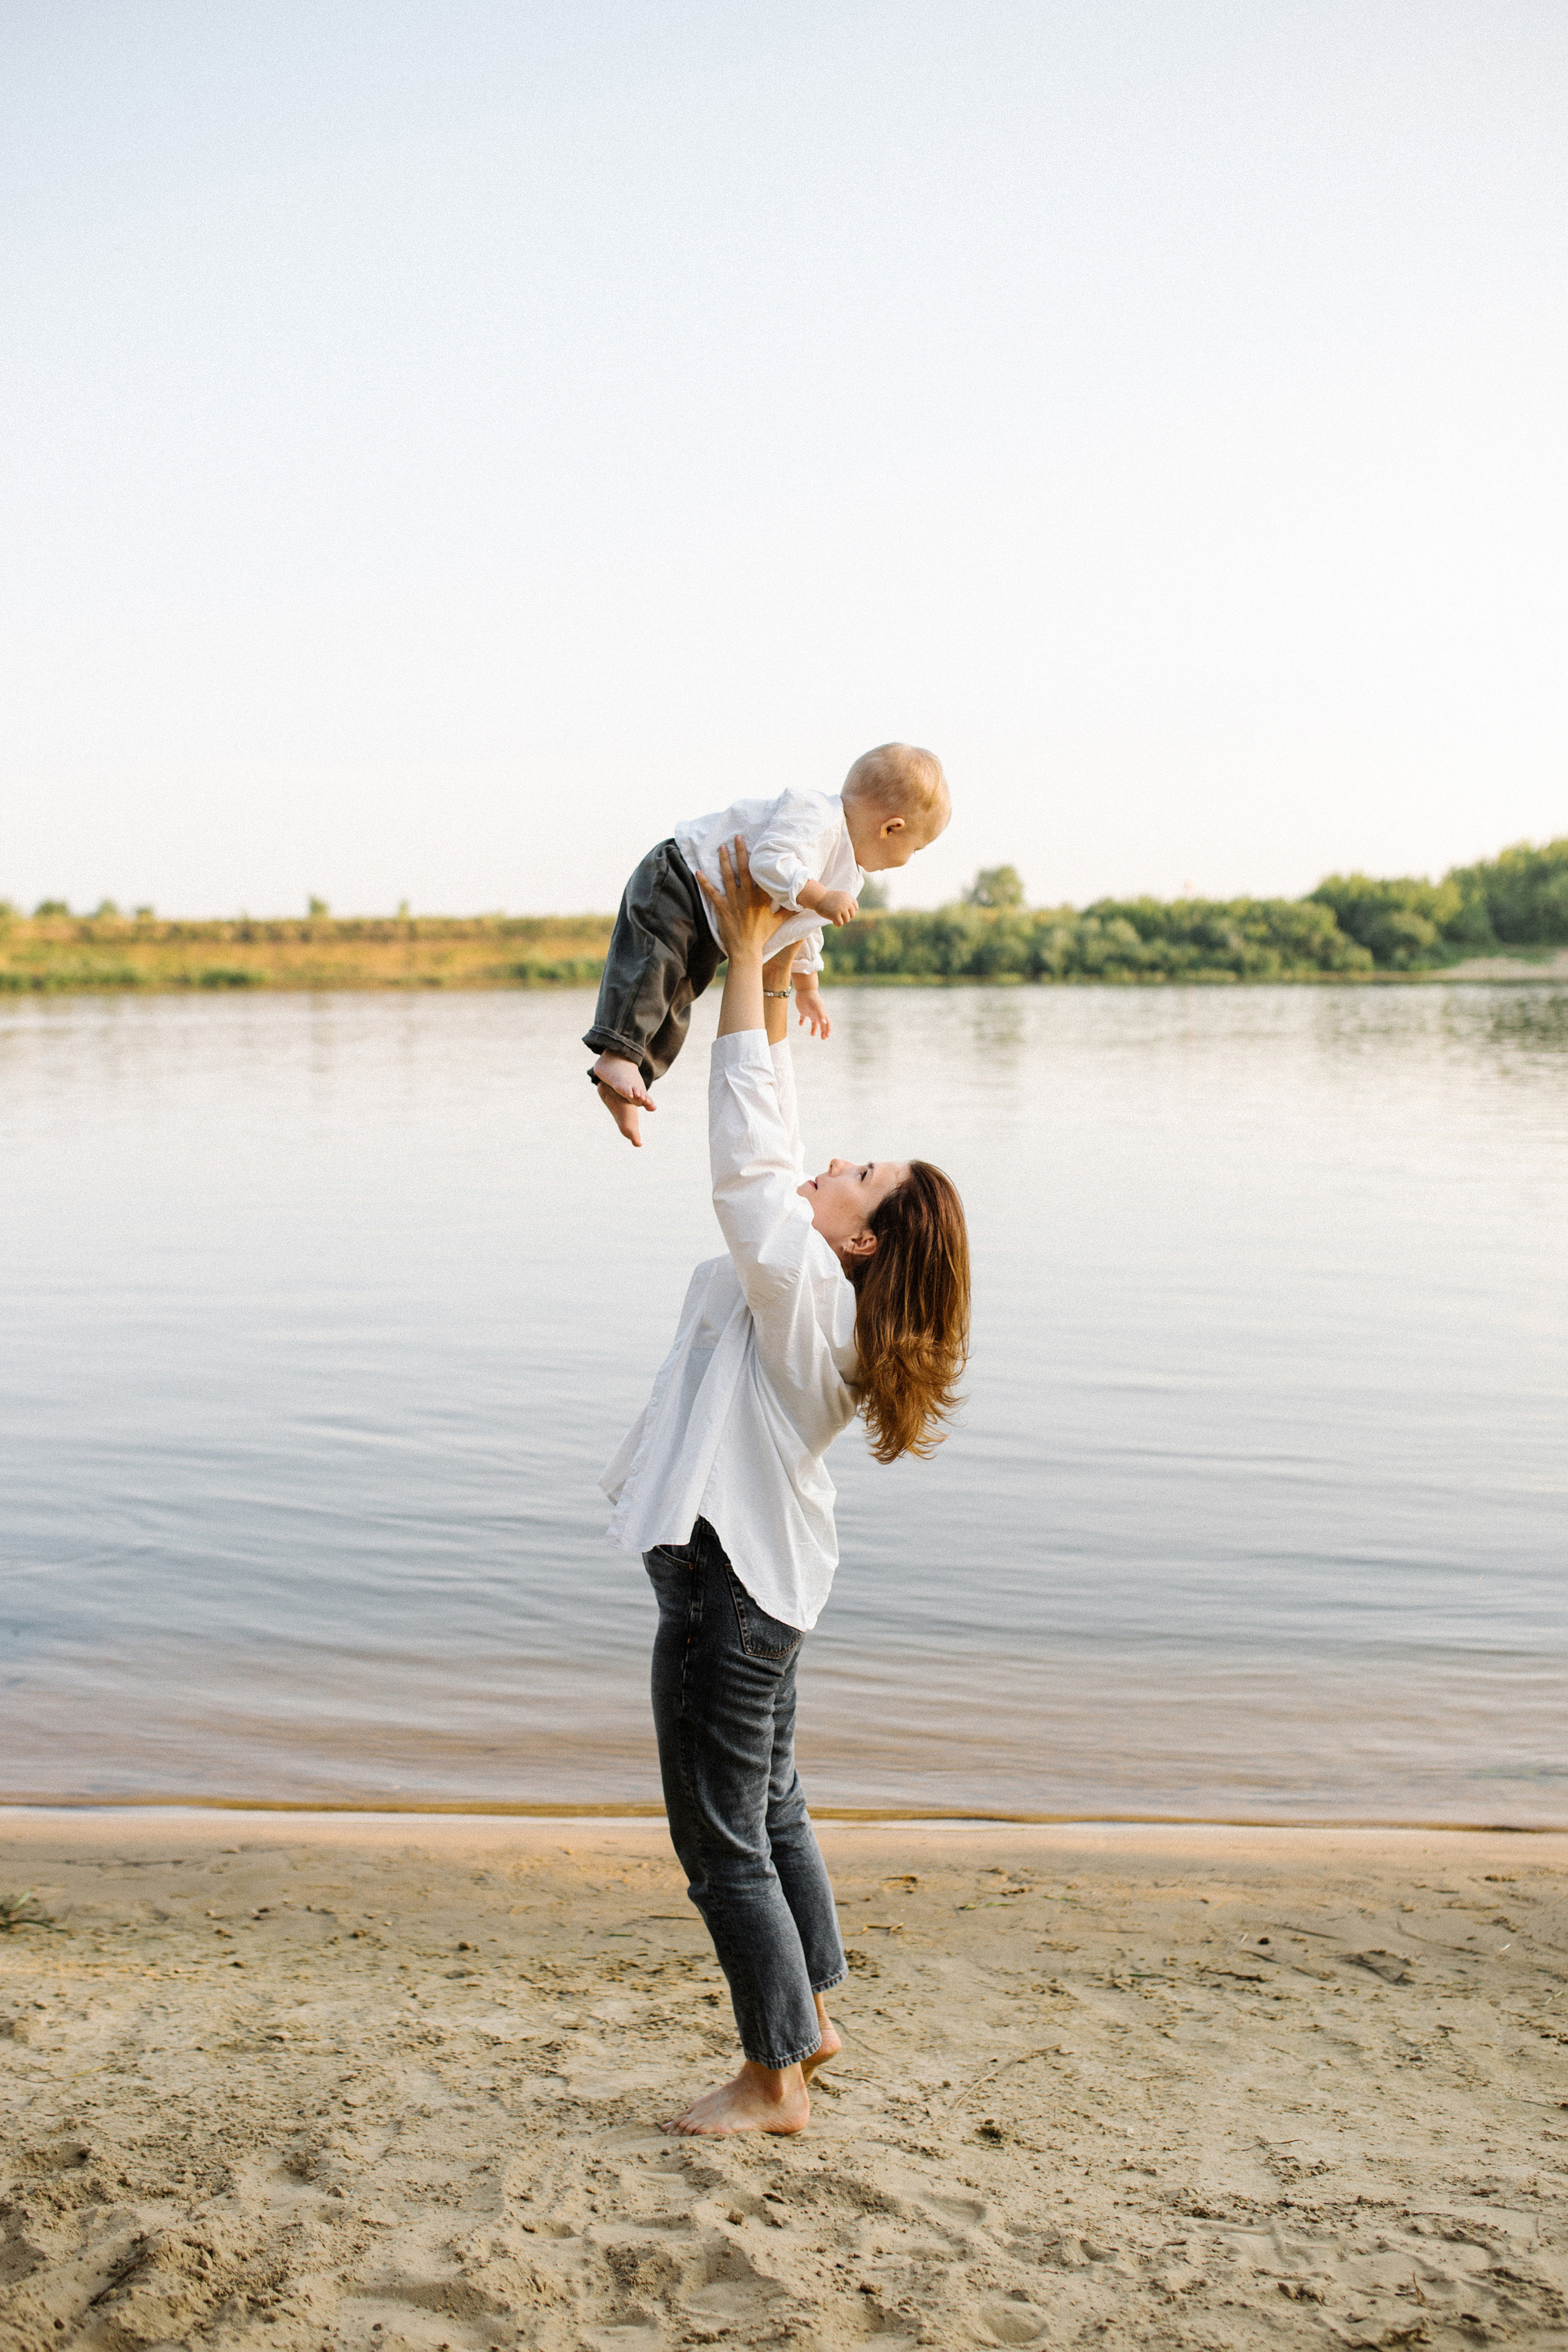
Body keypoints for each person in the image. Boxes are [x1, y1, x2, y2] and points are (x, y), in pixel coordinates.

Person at [600, 834, 971, 2136]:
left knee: (721, 1837)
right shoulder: (826, 1295)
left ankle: (772, 2080)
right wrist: (763, 972)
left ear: (859, 1240)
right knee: (770, 1803)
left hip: (732, 1593)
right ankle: (809, 2015)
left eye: (857, 1176)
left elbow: (752, 1159)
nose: (836, 1161)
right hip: (767, 1587)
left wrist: (750, 945)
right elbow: (781, 1152)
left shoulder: (805, 1286)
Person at [584, 742, 951, 1145]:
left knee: (678, 996)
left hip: (715, 922)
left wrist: (808, 986)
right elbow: (769, 861)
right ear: (891, 828)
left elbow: (803, 926)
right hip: (683, 877)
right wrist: (820, 897)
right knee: (654, 964)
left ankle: (627, 1079)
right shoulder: (816, 815)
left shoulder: (847, 873)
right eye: (916, 849)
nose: (910, 859)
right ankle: (618, 1055)